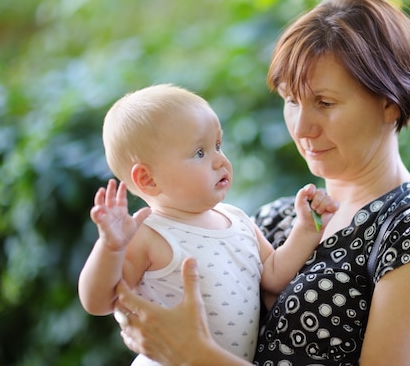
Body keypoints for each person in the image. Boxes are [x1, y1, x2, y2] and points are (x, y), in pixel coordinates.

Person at [114, 0, 410, 365]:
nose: (302, 127)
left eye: (325, 103)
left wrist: (196, 355)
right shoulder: (277, 219)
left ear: (389, 102)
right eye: (291, 100)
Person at [78, 84, 338, 365]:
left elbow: (273, 275)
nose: (220, 161)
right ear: (148, 180)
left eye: (217, 145)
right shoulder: (149, 235)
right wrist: (111, 247)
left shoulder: (236, 219)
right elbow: (98, 302)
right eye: (200, 153)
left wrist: (306, 230)